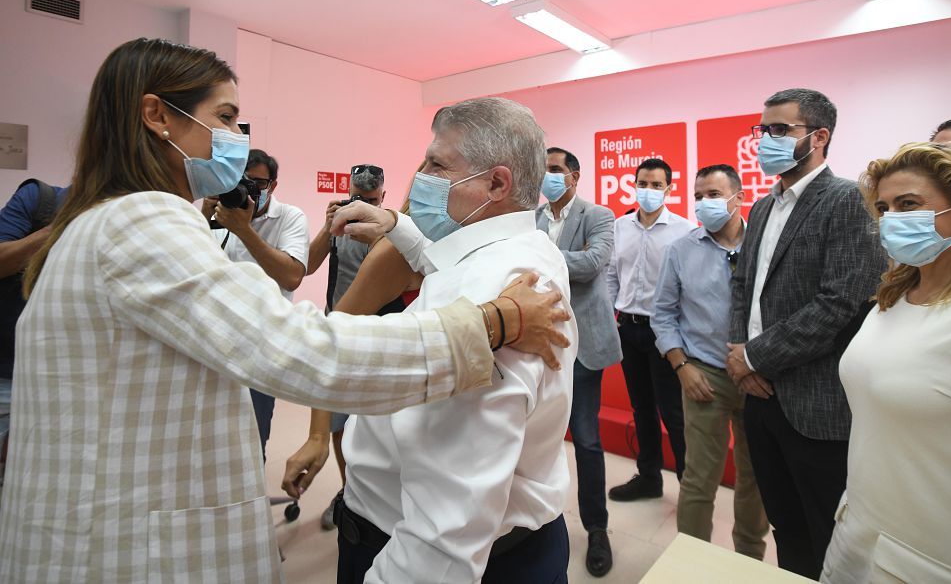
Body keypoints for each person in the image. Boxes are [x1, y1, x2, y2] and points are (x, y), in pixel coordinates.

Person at [0, 38, 570, 583]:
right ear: (157, 116)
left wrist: (401, 230)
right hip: (122, 544)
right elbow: (301, 349)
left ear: (496, 182)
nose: (236, 138)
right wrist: (493, 322)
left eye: (436, 167)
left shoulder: (105, 219)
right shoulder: (142, 219)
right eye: (224, 118)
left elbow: (455, 514)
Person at [327, 97, 578, 584]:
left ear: (496, 183)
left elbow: (445, 535)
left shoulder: (489, 288)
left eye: (437, 164)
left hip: (413, 546)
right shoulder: (522, 248)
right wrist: (399, 227)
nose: (418, 175)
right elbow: (448, 264)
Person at [821, 142, 951, 583]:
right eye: (884, 208)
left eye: (908, 204)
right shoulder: (891, 301)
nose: (892, 218)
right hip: (856, 539)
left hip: (941, 563)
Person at [725, 88, 886, 579]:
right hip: (759, 398)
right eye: (762, 130)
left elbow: (840, 302)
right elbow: (741, 287)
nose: (765, 140)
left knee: (827, 535)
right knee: (786, 528)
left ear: (818, 137)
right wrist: (739, 356)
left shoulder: (847, 202)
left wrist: (755, 358)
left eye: (779, 130)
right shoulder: (762, 208)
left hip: (815, 405)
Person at [652, 164, 768, 559]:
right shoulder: (681, 250)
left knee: (756, 477)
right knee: (699, 478)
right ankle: (691, 561)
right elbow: (663, 315)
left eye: (714, 195)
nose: (704, 203)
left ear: (739, 197)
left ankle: (748, 558)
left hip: (759, 378)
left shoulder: (765, 247)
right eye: (698, 196)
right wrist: (682, 367)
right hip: (705, 377)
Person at [301, 163, 407, 530]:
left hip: (381, 339)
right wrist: (327, 227)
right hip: (341, 335)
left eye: (371, 200)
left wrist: (380, 230)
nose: (362, 206)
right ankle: (349, 494)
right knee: (339, 425)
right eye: (356, 199)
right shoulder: (338, 225)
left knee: (380, 429)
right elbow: (307, 267)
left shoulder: (392, 235)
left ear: (383, 199)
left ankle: (381, 499)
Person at [536, 146, 619, 577]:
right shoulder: (531, 219)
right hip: (538, 341)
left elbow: (591, 264)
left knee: (586, 439)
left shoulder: (597, 215)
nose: (547, 177)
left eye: (554, 170)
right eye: (543, 169)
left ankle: (597, 528)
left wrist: (539, 255)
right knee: (536, 436)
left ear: (574, 176)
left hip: (583, 344)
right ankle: (534, 523)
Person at [202, 148, 309, 461]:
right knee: (209, 437)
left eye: (258, 184)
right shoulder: (218, 213)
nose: (248, 189)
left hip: (262, 346)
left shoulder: (289, 217)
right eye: (241, 181)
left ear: (273, 185)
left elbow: (292, 276)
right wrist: (201, 219)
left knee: (251, 438)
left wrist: (244, 230)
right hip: (214, 343)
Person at [606, 158, 694, 501]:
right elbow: (613, 275)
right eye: (643, 183)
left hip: (664, 333)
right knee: (641, 408)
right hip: (628, 328)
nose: (649, 190)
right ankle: (649, 477)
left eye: (657, 185)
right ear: (634, 184)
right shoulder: (620, 226)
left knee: (673, 411)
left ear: (669, 189)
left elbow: (688, 287)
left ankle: (690, 484)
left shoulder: (684, 230)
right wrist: (611, 318)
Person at [0, 179, 67, 487]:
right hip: (5, 370)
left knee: (40, 480)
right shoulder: (40, 200)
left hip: (59, 380)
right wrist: (53, 232)